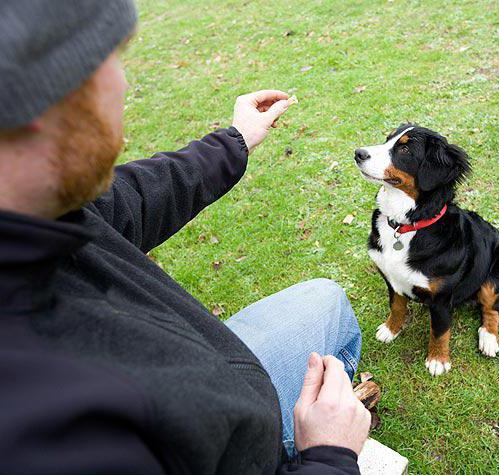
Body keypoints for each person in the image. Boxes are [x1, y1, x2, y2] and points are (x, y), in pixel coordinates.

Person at [0, 1, 371, 474]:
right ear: (41, 97)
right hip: (226, 443)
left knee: (327, 300)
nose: (124, 82)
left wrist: (234, 140)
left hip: (217, 391)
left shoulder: (33, 212)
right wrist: (330, 457)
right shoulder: (52, 434)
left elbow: (126, 201)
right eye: (110, 60)